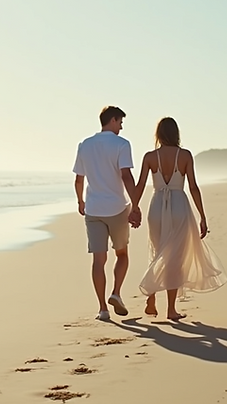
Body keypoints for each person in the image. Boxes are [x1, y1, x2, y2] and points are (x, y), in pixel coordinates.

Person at [132, 117, 227, 321]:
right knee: (174, 258)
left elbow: (140, 185)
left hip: (156, 206)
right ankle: (171, 309)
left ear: (158, 134)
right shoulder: (184, 155)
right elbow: (193, 186)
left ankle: (151, 296)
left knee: (159, 252)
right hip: (179, 206)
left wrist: (135, 207)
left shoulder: (149, 156)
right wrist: (202, 215)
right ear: (176, 133)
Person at [73, 106, 142, 321]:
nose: (121, 126)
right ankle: (116, 293)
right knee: (121, 254)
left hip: (93, 209)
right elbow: (126, 176)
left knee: (98, 259)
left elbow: (78, 178)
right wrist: (136, 205)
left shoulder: (85, 145)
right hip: (116, 208)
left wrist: (80, 201)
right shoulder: (122, 144)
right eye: (120, 121)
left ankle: (102, 308)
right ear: (112, 120)